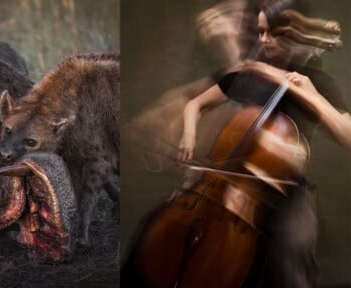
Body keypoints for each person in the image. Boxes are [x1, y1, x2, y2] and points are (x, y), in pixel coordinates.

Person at [122, 0, 350, 287]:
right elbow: (196, 103)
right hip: (223, 176)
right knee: (155, 226)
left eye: (272, 34)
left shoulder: (315, 81)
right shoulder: (248, 72)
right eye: (260, 32)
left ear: (293, 34)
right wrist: (188, 135)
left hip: (284, 192)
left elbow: (347, 135)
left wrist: (312, 96)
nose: (264, 40)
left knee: (290, 257)